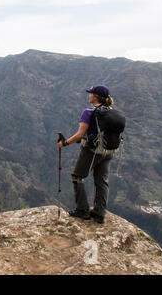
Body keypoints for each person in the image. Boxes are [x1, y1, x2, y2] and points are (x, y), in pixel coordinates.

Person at [56, 85, 115, 224]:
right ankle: (100, 213)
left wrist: (64, 143)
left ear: (96, 97)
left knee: (77, 177)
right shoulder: (111, 111)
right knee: (102, 181)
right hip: (108, 151)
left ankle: (82, 210)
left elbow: (80, 134)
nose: (89, 95)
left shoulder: (88, 112)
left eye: (91, 94)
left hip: (92, 151)